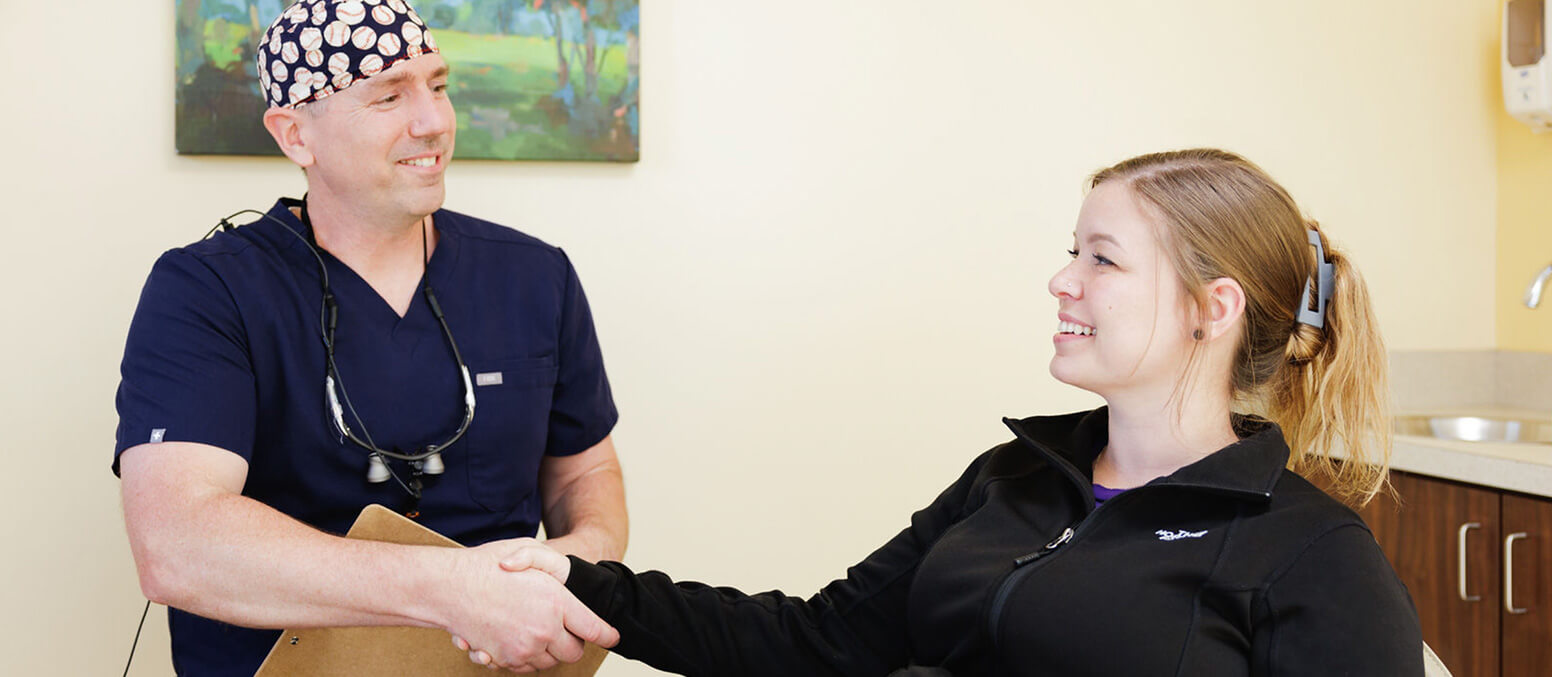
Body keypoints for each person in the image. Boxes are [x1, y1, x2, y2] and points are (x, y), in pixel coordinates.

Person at [481, 148, 1424, 675]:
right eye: (1072, 251)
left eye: (1103, 258)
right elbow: (819, 643)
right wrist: (576, 580)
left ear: (1210, 309)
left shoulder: (1311, 555)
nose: (1063, 280)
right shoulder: (1012, 480)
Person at [114, 1, 624, 674]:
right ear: (297, 134)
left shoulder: (534, 275)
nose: (434, 121)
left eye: (438, 85)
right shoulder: (208, 291)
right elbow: (177, 545)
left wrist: (580, 563)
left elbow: (585, 471)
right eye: (389, 96)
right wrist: (451, 591)